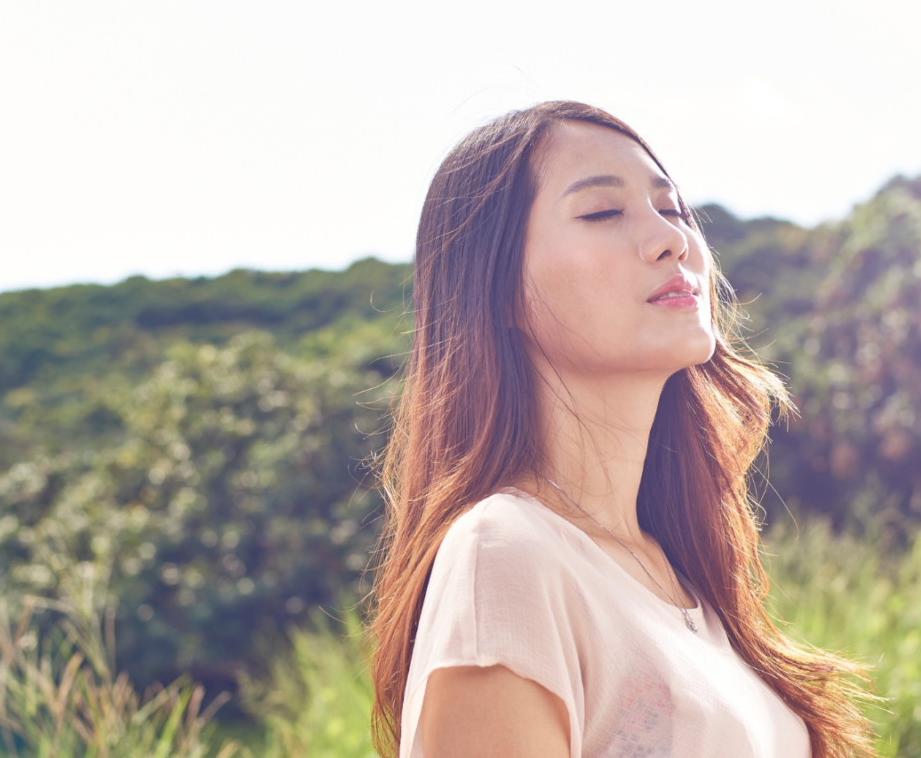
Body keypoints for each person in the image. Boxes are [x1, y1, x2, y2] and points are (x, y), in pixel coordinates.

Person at [367, 101, 875, 758]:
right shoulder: (505, 556)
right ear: (498, 292)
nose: (673, 240)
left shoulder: (679, 567)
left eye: (675, 210)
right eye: (603, 212)